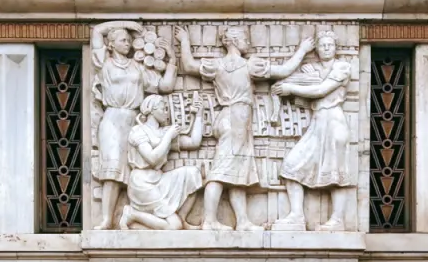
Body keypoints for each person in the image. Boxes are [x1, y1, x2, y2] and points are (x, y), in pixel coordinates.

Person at [176, 26, 314, 231]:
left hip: (231, 120)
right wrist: (302, 50)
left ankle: (242, 221)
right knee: (220, 171)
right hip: (236, 120)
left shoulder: (217, 65)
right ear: (233, 41)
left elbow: (188, 64)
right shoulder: (248, 66)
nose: (248, 43)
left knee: (238, 172)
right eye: (244, 38)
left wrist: (185, 41)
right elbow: (284, 70)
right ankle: (210, 221)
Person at [91, 21, 177, 229]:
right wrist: (127, 24)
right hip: (112, 119)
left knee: (135, 169)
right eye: (123, 40)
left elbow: (164, 86)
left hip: (134, 119)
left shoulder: (138, 68)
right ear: (110, 44)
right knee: (111, 170)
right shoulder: (105, 63)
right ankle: (106, 219)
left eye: (130, 41)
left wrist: (172, 60)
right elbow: (96, 31)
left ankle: (135, 214)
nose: (128, 43)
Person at [271, 31, 353, 232]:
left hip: (334, 123)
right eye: (322, 45)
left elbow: (321, 90)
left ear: (335, 47)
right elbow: (310, 91)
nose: (326, 48)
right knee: (291, 165)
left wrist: (291, 88)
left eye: (330, 45)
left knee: (336, 173)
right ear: (316, 49)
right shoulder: (313, 69)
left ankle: (337, 220)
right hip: (317, 123)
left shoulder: (342, 67)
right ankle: (297, 216)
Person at [120, 95, 205, 231]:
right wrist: (168, 136)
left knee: (193, 174)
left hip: (159, 178)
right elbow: (152, 159)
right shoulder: (138, 131)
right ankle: (132, 214)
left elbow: (193, 142)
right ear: (151, 110)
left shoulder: (164, 132)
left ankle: (182, 218)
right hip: (142, 183)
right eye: (163, 108)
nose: (167, 112)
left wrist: (199, 115)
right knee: (174, 227)